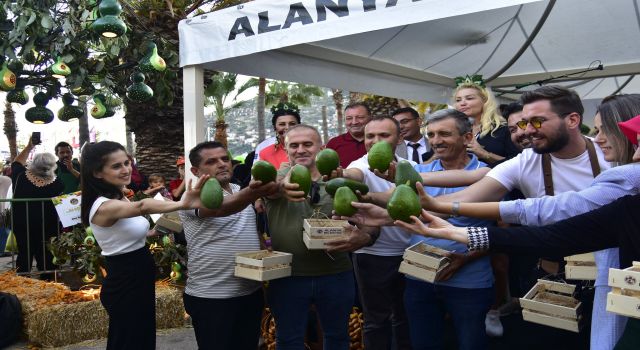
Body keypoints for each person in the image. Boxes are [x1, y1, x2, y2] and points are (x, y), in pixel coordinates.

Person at [80, 141, 208, 350]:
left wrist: (152, 232)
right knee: (130, 341)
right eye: (116, 166)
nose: (126, 169)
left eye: (127, 163)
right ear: (97, 173)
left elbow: (122, 234)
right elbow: (143, 206)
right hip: (125, 280)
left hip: (138, 275)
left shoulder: (118, 195)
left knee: (139, 338)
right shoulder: (104, 205)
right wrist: (183, 203)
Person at [264, 124, 360, 349]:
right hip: (288, 275)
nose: (300, 150)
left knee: (337, 338)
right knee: (288, 339)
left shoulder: (339, 180)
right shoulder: (277, 177)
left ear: (321, 147)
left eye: (307, 144)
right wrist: (281, 187)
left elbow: (362, 215)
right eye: (293, 146)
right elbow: (266, 188)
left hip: (336, 274)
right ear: (285, 150)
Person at [405, 109, 494, 350]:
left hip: (469, 282)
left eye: (444, 133)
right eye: (431, 134)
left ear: (467, 138)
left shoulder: (491, 177)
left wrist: (465, 259)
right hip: (419, 277)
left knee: (471, 344)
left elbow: (503, 233)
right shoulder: (418, 173)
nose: (436, 141)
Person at [179, 141, 278, 350]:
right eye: (212, 161)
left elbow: (250, 231)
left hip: (250, 293)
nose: (222, 164)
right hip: (212, 298)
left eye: (225, 159)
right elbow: (219, 208)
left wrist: (266, 259)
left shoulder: (237, 190)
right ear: (196, 171)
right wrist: (254, 192)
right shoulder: (191, 197)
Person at [338, 116, 413, 350]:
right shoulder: (360, 166)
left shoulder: (406, 167)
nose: (375, 141)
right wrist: (340, 174)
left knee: (405, 318)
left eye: (384, 135)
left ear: (400, 138)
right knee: (377, 321)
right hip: (374, 256)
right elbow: (351, 176)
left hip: (411, 254)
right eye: (370, 136)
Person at [11, 138, 63, 275]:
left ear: (33, 164)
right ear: (52, 166)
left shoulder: (20, 176)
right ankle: (48, 280)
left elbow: (17, 162)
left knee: (25, 251)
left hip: (23, 223)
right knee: (46, 252)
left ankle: (22, 280)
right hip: (48, 225)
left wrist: (29, 146)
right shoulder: (58, 183)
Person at [454, 77, 520, 167]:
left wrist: (485, 154)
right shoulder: (461, 130)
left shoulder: (504, 129)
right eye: (458, 100)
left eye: (469, 98)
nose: (462, 103)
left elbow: (519, 163)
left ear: (485, 101)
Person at [326, 102, 371, 168]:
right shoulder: (333, 144)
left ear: (370, 118)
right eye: (349, 118)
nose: (354, 122)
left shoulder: (378, 141)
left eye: (360, 117)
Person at [258, 102, 300, 170]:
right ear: (275, 128)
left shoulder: (312, 150)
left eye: (292, 123)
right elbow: (260, 179)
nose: (287, 127)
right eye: (282, 124)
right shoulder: (265, 153)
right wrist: (278, 174)